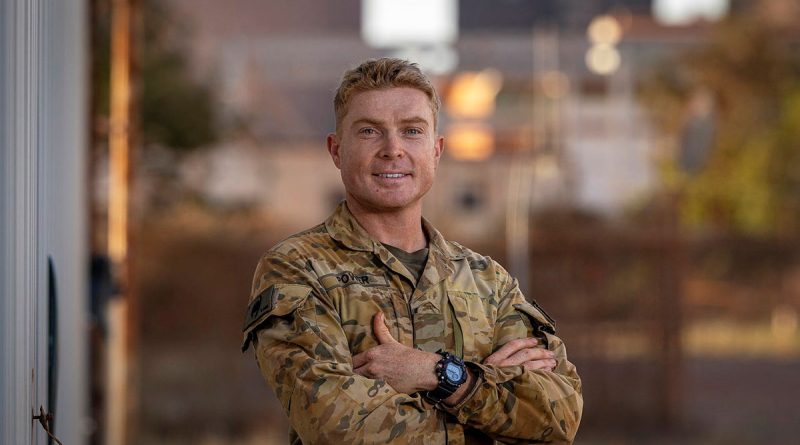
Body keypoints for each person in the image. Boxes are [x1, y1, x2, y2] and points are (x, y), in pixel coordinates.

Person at [241, 58, 583, 444]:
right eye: (370, 131)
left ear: (436, 150)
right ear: (336, 150)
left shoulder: (488, 281)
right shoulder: (296, 269)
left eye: (412, 131)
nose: (392, 149)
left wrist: (437, 372)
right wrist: (482, 395)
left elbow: (559, 416)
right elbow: (336, 426)